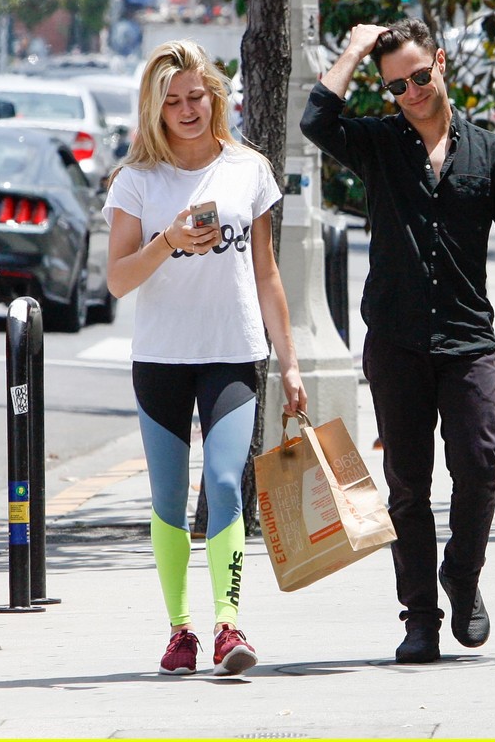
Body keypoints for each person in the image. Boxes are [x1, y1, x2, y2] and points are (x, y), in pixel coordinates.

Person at [300, 19, 495, 664]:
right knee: (407, 485)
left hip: (466, 338)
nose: (409, 91)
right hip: (397, 341)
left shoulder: (492, 154)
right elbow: (318, 121)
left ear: (439, 62)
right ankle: (420, 620)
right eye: (394, 85)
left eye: (417, 76)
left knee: (479, 463)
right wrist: (354, 48)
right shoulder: (379, 144)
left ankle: (462, 578)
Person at [103, 39, 307, 677]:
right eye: (173, 101)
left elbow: (268, 273)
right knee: (167, 497)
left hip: (233, 351)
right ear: (154, 109)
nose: (188, 109)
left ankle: (228, 623)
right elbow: (116, 280)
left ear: (215, 96)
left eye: (197, 96)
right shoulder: (136, 181)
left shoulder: (249, 169)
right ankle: (179, 631)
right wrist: (169, 240)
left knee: (223, 482)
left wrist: (291, 362)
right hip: (162, 357)